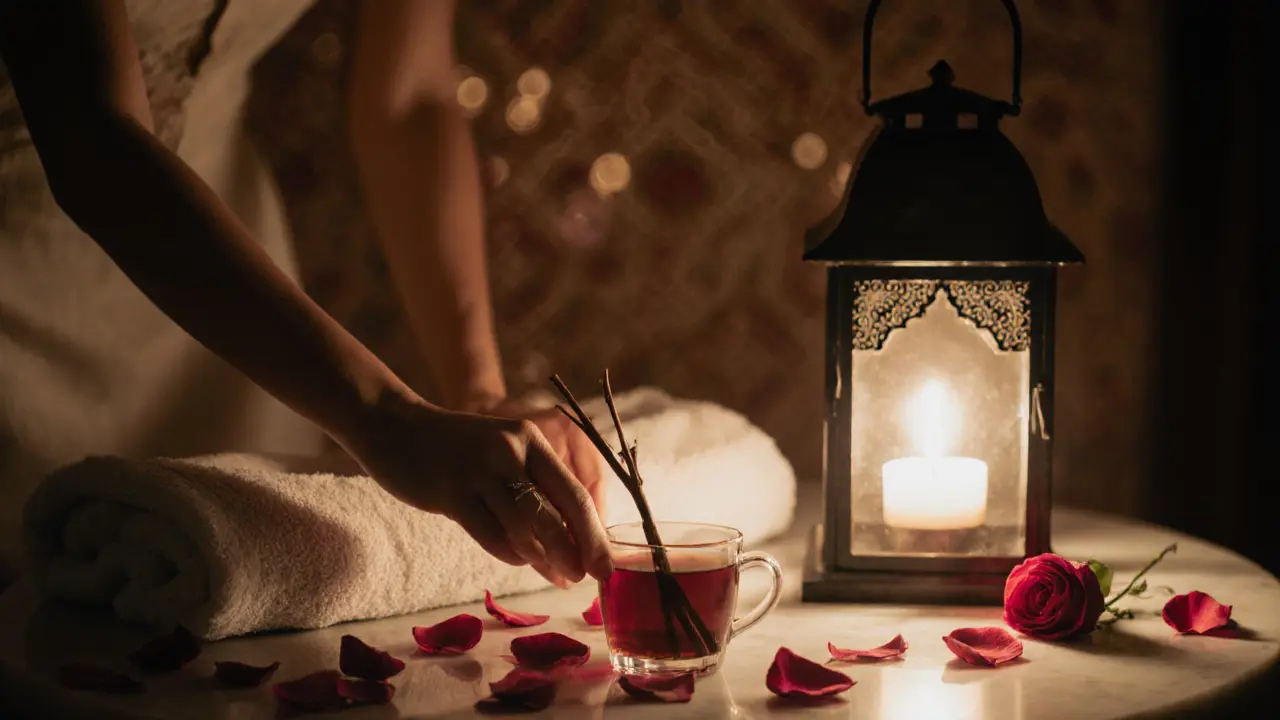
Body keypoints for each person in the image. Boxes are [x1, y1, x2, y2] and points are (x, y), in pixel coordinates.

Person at [0, 0, 609, 590]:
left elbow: (409, 98)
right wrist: (382, 416)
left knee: (233, 584)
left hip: (242, 311)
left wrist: (479, 390)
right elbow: (90, 137)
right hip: (31, 286)